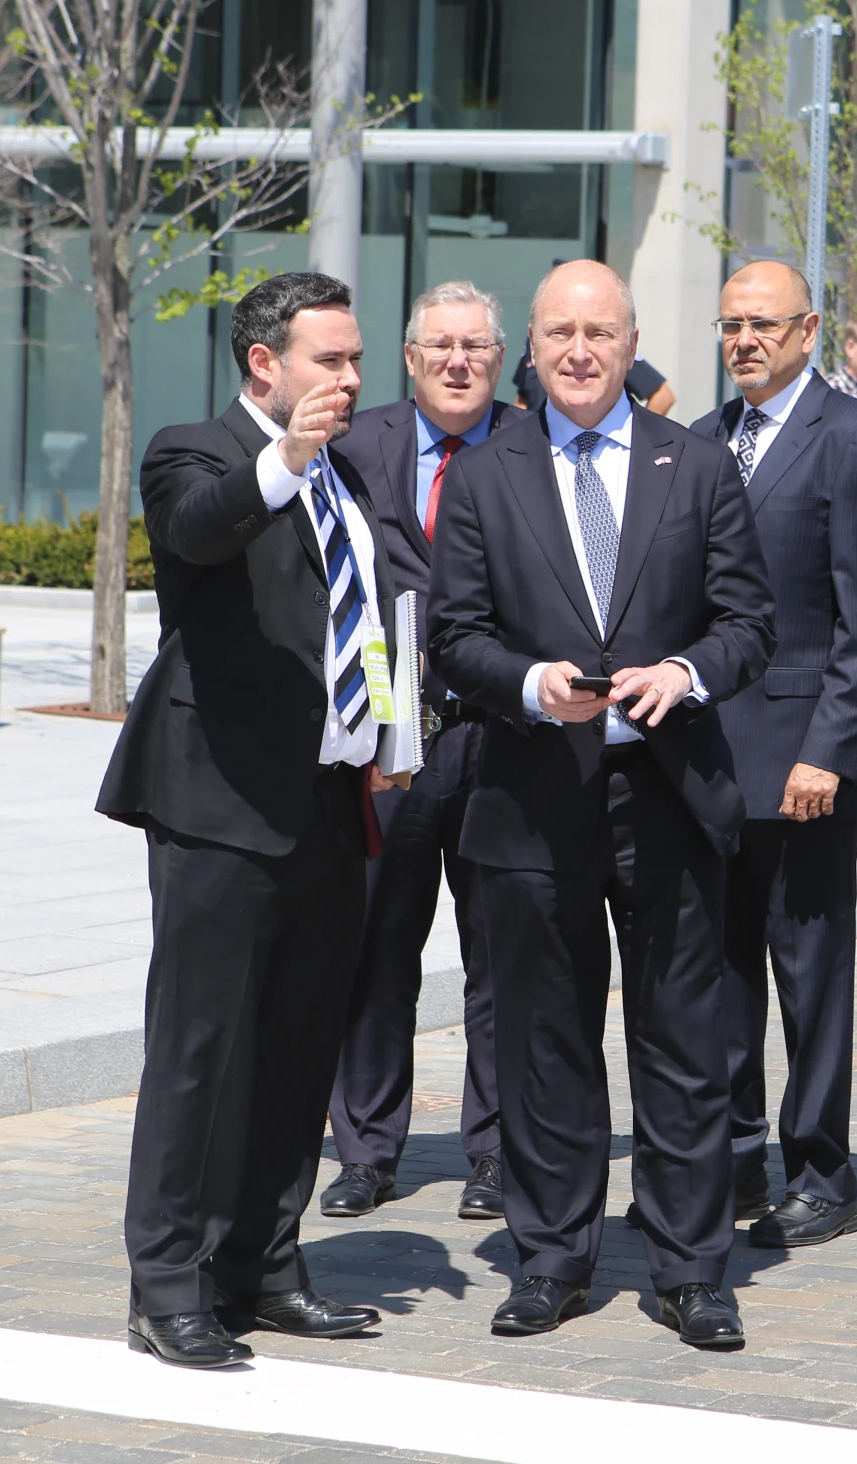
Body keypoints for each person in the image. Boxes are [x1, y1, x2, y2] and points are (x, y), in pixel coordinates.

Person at [425, 259, 776, 1350]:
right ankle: (551, 1256)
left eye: (602, 333)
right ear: (528, 346)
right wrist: (533, 687)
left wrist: (686, 670)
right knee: (546, 1040)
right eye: (560, 333)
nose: (580, 352)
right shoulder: (488, 475)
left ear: (633, 345)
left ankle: (690, 1266)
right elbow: (454, 637)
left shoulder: (699, 464)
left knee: (683, 1040)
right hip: (531, 797)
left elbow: (749, 619)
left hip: (668, 795)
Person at [98, 272, 402, 1368]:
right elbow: (196, 532)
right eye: (331, 359)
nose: (351, 379)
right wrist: (286, 460)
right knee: (199, 1053)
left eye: (357, 359)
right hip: (218, 804)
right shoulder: (197, 450)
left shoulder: (351, 478)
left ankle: (264, 1265)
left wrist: (390, 737)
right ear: (265, 363)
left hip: (328, 801)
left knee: (296, 1052)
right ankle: (166, 1284)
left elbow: (378, 615)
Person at [691, 262, 857, 1250]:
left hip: (805, 769)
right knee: (720, 973)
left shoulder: (853, 439)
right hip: (709, 764)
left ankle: (821, 1167)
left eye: (763, 325)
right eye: (731, 324)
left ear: (808, 329)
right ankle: (734, 1160)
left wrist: (831, 750)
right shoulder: (700, 442)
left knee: (808, 975)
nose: (743, 340)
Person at [319, 281, 518, 1226]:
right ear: (410, 357)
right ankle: (365, 1147)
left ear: (498, 356)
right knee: (372, 950)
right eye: (440, 345)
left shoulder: (530, 445)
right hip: (390, 736)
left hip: (506, 739)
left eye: (474, 345)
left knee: (502, 954)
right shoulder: (359, 448)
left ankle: (496, 1150)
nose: (457, 361)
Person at [514, 348, 676, 416]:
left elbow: (663, 396)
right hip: (539, 451)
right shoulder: (536, 342)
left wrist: (639, 437)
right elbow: (522, 400)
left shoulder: (604, 348)